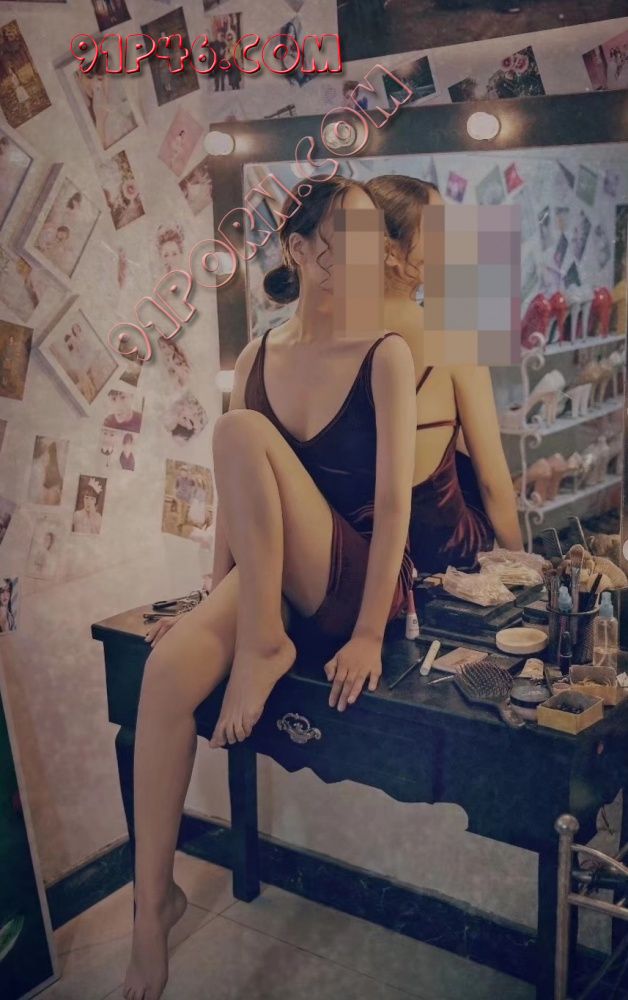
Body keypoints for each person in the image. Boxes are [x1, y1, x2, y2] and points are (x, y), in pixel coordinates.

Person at [122, 175, 417, 1000]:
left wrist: (369, 633)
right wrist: (210, 598)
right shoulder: (256, 354)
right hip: (271, 588)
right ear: (302, 250)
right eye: (352, 234)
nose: (373, 252)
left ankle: (262, 644)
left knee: (238, 428)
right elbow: (238, 503)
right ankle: (152, 908)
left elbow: (395, 506)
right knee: (166, 674)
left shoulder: (385, 353)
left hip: (351, 581)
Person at [365, 174, 523, 573]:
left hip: (357, 545)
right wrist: (524, 566)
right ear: (390, 250)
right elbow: (493, 482)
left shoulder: (326, 335)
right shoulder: (452, 331)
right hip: (440, 548)